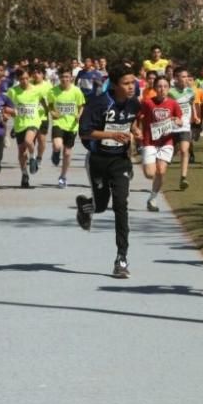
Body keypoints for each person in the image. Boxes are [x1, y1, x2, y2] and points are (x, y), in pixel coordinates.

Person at [76, 64, 142, 279]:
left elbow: (131, 124)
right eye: (126, 83)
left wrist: (135, 131)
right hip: (98, 160)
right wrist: (111, 135)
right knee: (101, 206)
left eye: (133, 82)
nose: (131, 87)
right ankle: (86, 206)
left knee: (121, 205)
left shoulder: (134, 104)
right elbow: (85, 133)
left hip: (120, 162)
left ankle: (121, 258)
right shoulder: (98, 103)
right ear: (114, 85)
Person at [137, 75, 182, 212]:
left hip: (166, 141)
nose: (162, 89)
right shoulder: (147, 103)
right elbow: (138, 117)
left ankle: (153, 198)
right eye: (159, 86)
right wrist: (137, 129)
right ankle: (154, 190)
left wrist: (176, 120)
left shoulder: (173, 104)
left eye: (165, 86)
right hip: (150, 141)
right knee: (150, 174)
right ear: (155, 88)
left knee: (161, 171)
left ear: (169, 88)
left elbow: (180, 120)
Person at [7, 68, 49, 189]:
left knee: (28, 141)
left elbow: (44, 103)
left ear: (29, 78)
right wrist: (10, 112)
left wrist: (46, 114)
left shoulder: (36, 90)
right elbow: (7, 106)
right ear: (18, 79)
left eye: (26, 78)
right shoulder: (13, 91)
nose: (24, 81)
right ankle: (24, 175)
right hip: (20, 123)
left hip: (33, 121)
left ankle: (33, 157)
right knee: (21, 152)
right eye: (21, 79)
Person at [48, 70, 86, 188]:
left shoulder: (76, 91)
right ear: (59, 77)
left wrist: (79, 116)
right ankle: (55, 152)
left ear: (71, 78)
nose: (64, 79)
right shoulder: (53, 91)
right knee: (57, 145)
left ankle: (63, 176)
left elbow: (81, 106)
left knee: (67, 153)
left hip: (72, 125)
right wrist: (53, 112)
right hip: (58, 122)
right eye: (62, 77)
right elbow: (50, 105)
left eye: (67, 77)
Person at [170, 66, 202, 189]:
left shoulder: (190, 91)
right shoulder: (170, 92)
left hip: (184, 126)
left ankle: (183, 177)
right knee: (170, 154)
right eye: (182, 77)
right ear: (175, 78)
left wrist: (195, 116)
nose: (185, 79)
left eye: (187, 77)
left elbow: (191, 104)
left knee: (184, 151)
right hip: (171, 127)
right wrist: (173, 118)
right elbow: (166, 108)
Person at [30, 64, 53, 170]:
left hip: (43, 116)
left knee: (42, 140)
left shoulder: (48, 86)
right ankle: (31, 157)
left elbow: (53, 100)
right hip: (29, 117)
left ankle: (39, 157)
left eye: (38, 72)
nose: (36, 74)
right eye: (34, 72)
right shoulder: (28, 84)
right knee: (30, 140)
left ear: (43, 74)